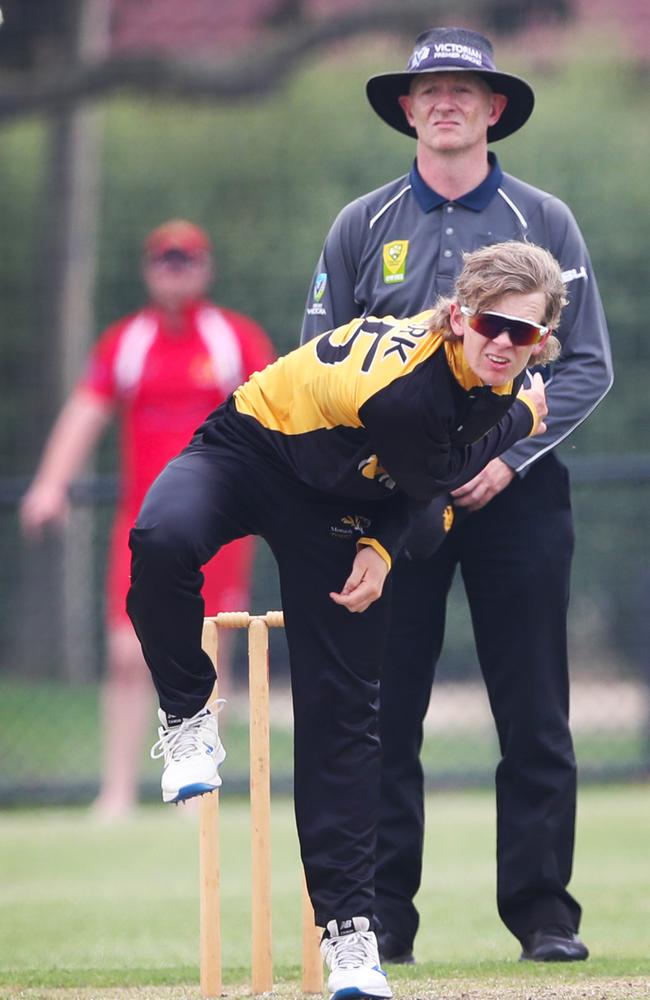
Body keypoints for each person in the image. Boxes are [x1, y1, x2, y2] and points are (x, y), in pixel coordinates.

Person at [126, 239, 563, 1000]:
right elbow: (444, 474)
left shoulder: (489, 377)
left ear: (544, 339)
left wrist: (383, 547)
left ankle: (351, 939)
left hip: (349, 498)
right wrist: (523, 418)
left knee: (345, 714)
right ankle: (187, 712)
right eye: (491, 325)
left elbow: (424, 492)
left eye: (524, 334)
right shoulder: (424, 384)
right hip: (255, 447)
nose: (504, 344)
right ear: (457, 317)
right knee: (161, 539)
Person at [300, 26, 614, 964]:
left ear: (492, 110)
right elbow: (322, 365)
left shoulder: (544, 221)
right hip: (397, 502)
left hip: (516, 494)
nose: (444, 102)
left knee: (534, 710)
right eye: (428, 90)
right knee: (385, 711)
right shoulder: (362, 224)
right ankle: (382, 920)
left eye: (463, 91)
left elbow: (587, 365)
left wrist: (507, 457)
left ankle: (544, 914)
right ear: (408, 109)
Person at [20, 219, 275, 821]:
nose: (176, 270)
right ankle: (116, 791)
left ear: (206, 268)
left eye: (187, 260)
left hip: (220, 525)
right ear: (148, 268)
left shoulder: (232, 338)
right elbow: (86, 410)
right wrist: (51, 484)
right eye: (165, 260)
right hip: (142, 527)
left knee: (214, 649)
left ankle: (200, 790)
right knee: (126, 654)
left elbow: (272, 414)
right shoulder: (126, 341)